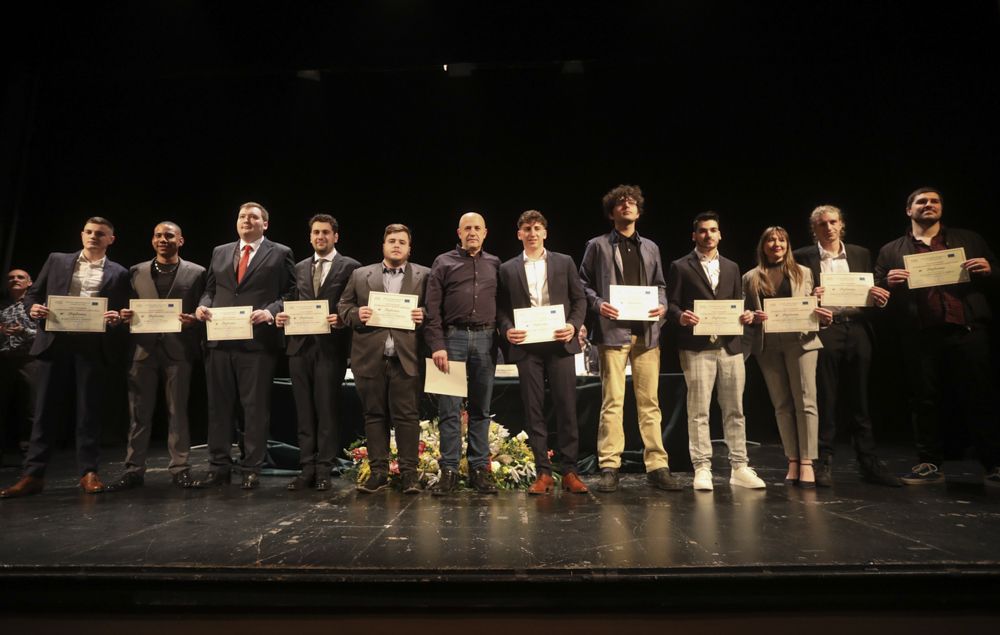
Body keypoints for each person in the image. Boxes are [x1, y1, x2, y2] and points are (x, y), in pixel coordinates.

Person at [874, 187, 1000, 486]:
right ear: (909, 210)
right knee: (923, 400)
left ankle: (994, 463)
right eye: (922, 201)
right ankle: (929, 462)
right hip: (920, 335)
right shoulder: (892, 249)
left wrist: (988, 269)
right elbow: (876, 287)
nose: (929, 205)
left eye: (935, 201)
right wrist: (887, 282)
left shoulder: (968, 239)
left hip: (966, 330)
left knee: (980, 397)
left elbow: (996, 271)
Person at [0, 217, 130, 498]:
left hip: (93, 345)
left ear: (111, 239)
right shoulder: (57, 260)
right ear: (82, 234)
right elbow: (34, 294)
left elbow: (121, 309)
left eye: (100, 234)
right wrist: (34, 308)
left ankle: (89, 472)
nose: (93, 237)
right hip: (55, 342)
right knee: (44, 411)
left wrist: (115, 317)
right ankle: (33, 475)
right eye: (89, 232)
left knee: (89, 411)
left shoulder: (119, 272)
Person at [579, 184, 680, 493]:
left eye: (632, 202)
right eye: (620, 203)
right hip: (612, 333)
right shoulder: (597, 245)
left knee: (650, 402)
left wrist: (662, 306)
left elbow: (661, 284)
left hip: (647, 334)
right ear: (612, 212)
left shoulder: (650, 247)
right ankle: (610, 465)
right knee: (612, 401)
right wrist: (598, 305)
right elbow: (582, 283)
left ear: (639, 210)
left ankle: (657, 466)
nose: (627, 206)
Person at [793, 206, 901, 487]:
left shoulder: (860, 254)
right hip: (826, 329)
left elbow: (871, 289)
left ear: (842, 225)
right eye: (821, 224)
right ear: (813, 229)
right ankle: (824, 461)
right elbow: (791, 294)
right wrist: (810, 297)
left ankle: (868, 461)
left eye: (833, 222)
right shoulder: (803, 256)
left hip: (857, 326)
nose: (828, 227)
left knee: (860, 397)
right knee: (826, 397)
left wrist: (879, 296)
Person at [195, 202, 295, 490]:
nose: (246, 221)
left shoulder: (280, 253)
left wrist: (271, 311)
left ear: (265, 224)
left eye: (253, 217)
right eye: (242, 216)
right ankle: (219, 467)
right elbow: (210, 290)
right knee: (218, 407)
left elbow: (291, 292)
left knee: (254, 408)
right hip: (219, 340)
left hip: (257, 343)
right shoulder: (220, 251)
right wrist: (202, 307)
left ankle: (252, 467)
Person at [104, 222, 206, 491]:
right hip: (143, 350)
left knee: (178, 411)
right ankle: (134, 469)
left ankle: (181, 468)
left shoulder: (197, 272)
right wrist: (124, 315)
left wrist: (194, 320)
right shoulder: (136, 271)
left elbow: (201, 309)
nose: (163, 239)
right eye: (158, 235)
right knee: (139, 413)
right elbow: (126, 305)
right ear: (152, 240)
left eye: (169, 235)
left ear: (180, 240)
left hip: (178, 349)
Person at [666, 212, 765, 491]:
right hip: (696, 347)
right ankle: (702, 467)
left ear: (720, 234)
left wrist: (746, 316)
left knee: (735, 409)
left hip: (730, 346)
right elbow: (671, 305)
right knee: (698, 410)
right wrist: (681, 316)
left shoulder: (732, 267)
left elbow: (737, 304)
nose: (708, 235)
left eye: (713, 230)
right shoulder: (680, 266)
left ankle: (739, 466)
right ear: (694, 235)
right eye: (702, 231)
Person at [497, 210, 589, 495]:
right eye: (527, 228)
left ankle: (570, 471)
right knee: (533, 408)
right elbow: (500, 309)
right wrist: (507, 329)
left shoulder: (564, 262)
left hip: (559, 343)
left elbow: (579, 299)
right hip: (527, 347)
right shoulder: (507, 268)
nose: (532, 233)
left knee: (566, 406)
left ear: (545, 233)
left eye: (537, 228)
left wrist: (574, 326)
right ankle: (543, 473)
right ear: (519, 234)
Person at [339, 224, 430, 494]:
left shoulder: (424, 275)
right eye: (392, 240)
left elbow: (438, 309)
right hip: (370, 357)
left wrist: (423, 314)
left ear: (409, 247)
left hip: (407, 357)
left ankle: (409, 474)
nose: (397, 245)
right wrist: (357, 315)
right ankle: (378, 473)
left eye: (402, 241)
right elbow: (343, 307)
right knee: (374, 415)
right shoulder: (359, 275)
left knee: (407, 417)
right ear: (383, 245)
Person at [743, 226, 833, 488]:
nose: (776, 244)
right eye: (770, 240)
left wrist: (823, 315)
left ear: (788, 244)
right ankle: (792, 458)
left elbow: (814, 307)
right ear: (763, 246)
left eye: (781, 239)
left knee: (806, 401)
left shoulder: (803, 273)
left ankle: (807, 460)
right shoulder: (750, 277)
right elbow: (745, 313)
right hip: (768, 344)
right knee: (781, 404)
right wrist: (751, 317)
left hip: (801, 342)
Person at [275, 214, 359, 491]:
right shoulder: (298, 268)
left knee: (326, 410)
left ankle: (325, 468)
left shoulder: (350, 267)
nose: (320, 237)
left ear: (336, 236)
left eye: (325, 232)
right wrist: (281, 315)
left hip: (330, 348)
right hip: (299, 348)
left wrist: (342, 319)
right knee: (304, 411)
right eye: (315, 233)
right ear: (310, 237)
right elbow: (290, 300)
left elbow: (353, 304)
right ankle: (306, 468)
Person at [424, 212, 501, 495]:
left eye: (477, 228)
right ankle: (450, 471)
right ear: (458, 232)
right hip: (451, 339)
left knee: (481, 408)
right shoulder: (443, 262)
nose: (472, 232)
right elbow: (432, 309)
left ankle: (479, 470)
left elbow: (502, 306)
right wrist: (437, 345)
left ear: (485, 232)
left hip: (486, 339)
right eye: (467, 228)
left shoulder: (495, 264)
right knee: (449, 410)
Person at [1, 269, 38, 464]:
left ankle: (29, 456)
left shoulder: (34, 306)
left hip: (29, 360)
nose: (15, 280)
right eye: (11, 278)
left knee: (30, 409)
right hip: (4, 360)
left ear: (30, 282)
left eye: (20, 277)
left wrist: (23, 331)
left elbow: (44, 334)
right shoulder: (2, 306)